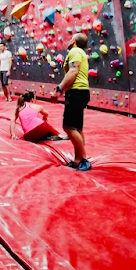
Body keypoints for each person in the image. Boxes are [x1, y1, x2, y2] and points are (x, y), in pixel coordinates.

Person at [51, 33, 91, 171]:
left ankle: (84, 159)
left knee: (68, 127)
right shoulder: (80, 52)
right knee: (76, 128)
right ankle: (77, 160)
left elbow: (73, 72)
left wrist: (59, 89)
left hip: (77, 92)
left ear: (73, 41)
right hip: (80, 91)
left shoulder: (74, 51)